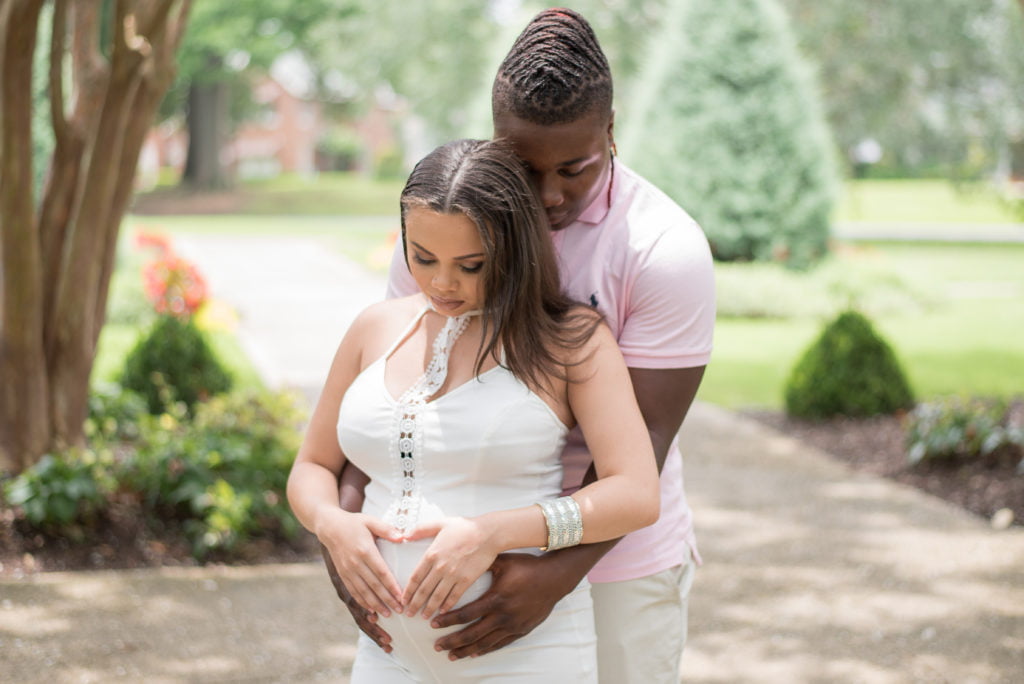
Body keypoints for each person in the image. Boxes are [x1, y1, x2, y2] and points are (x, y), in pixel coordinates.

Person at [331, 8, 716, 682]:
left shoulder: (662, 251)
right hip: (459, 562)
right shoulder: (445, 238)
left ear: (611, 132)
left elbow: (642, 448)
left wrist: (552, 577)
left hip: (615, 563)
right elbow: (390, 397)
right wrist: (343, 538)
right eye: (524, 166)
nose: (548, 195)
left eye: (575, 168)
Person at [287, 138, 661, 682]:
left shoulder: (570, 341)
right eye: (422, 257)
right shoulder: (375, 327)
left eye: (471, 264)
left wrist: (494, 533)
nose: (442, 283)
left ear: (513, 247)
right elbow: (312, 465)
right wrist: (330, 524)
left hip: (526, 660)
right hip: (387, 658)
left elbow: (635, 493)